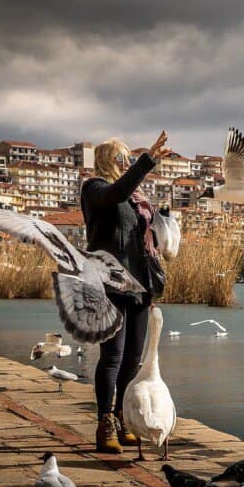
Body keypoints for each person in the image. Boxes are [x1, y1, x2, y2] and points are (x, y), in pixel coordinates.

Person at [81, 131, 171, 453]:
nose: (126, 163)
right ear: (108, 159)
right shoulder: (95, 190)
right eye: (122, 158)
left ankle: (122, 418)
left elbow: (139, 239)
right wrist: (147, 161)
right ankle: (104, 422)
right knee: (112, 357)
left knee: (133, 358)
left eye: (128, 158)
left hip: (138, 287)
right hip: (109, 284)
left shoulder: (134, 200)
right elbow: (116, 193)